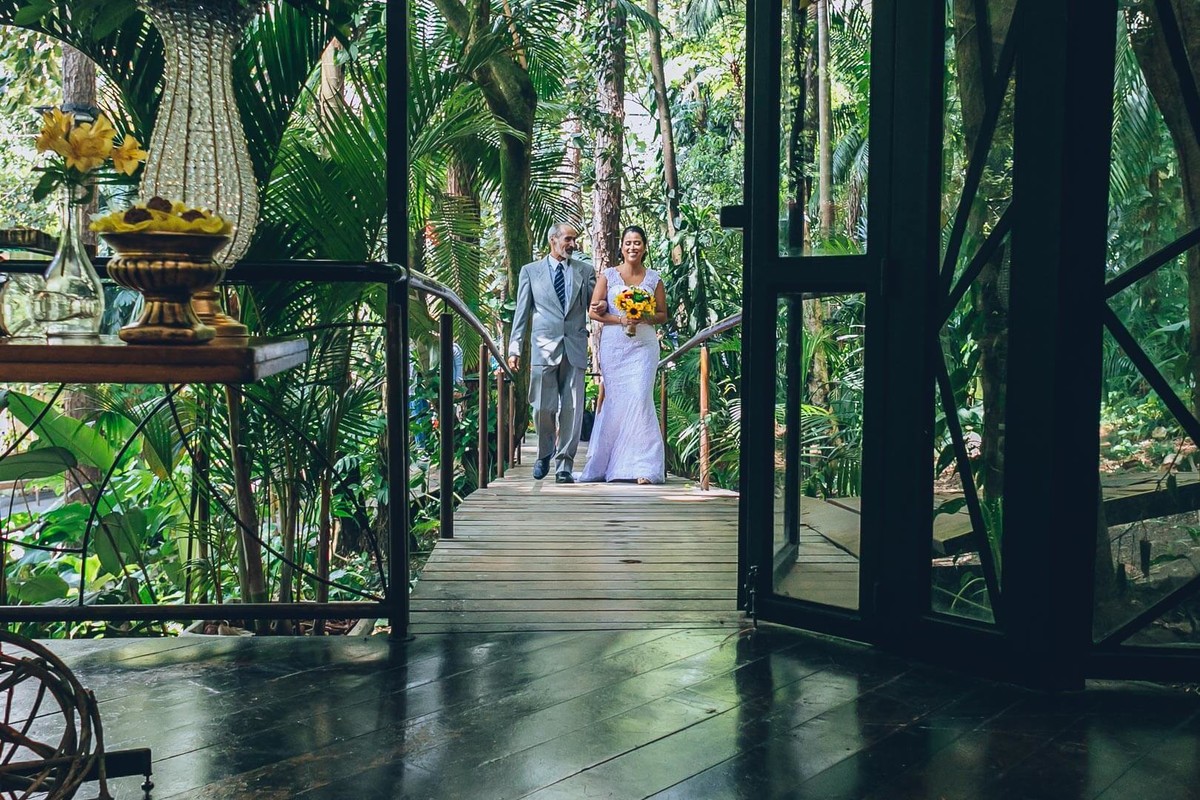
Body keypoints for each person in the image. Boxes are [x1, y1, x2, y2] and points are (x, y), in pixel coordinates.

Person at [507, 223, 596, 483]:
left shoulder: (585, 271)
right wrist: (515, 348)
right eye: (568, 239)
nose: (573, 244)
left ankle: (564, 465)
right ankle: (544, 453)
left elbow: (596, 306)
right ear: (553, 240)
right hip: (543, 348)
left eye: (575, 240)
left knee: (572, 407)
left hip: (575, 347)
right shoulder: (530, 272)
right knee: (542, 408)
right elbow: (522, 312)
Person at [580, 225, 668, 485]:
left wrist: (643, 316)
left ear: (644, 247)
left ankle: (643, 466)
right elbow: (594, 311)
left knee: (641, 398)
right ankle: (610, 463)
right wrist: (621, 319)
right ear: (622, 247)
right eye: (628, 243)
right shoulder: (608, 275)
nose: (633, 247)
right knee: (617, 402)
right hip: (615, 346)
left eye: (638, 242)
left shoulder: (654, 278)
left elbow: (663, 314)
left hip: (644, 346)